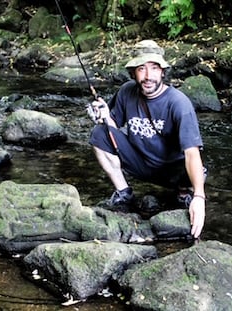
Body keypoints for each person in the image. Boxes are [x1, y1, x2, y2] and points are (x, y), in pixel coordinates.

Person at [88, 40, 206, 238]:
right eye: (141, 69)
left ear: (162, 71)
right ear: (134, 72)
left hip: (173, 171)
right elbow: (113, 129)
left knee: (194, 169)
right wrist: (104, 114)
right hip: (141, 163)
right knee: (99, 133)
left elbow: (192, 153)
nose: (148, 76)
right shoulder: (126, 91)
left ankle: (185, 192)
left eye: (154, 68)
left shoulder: (179, 103)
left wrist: (200, 197)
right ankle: (124, 192)